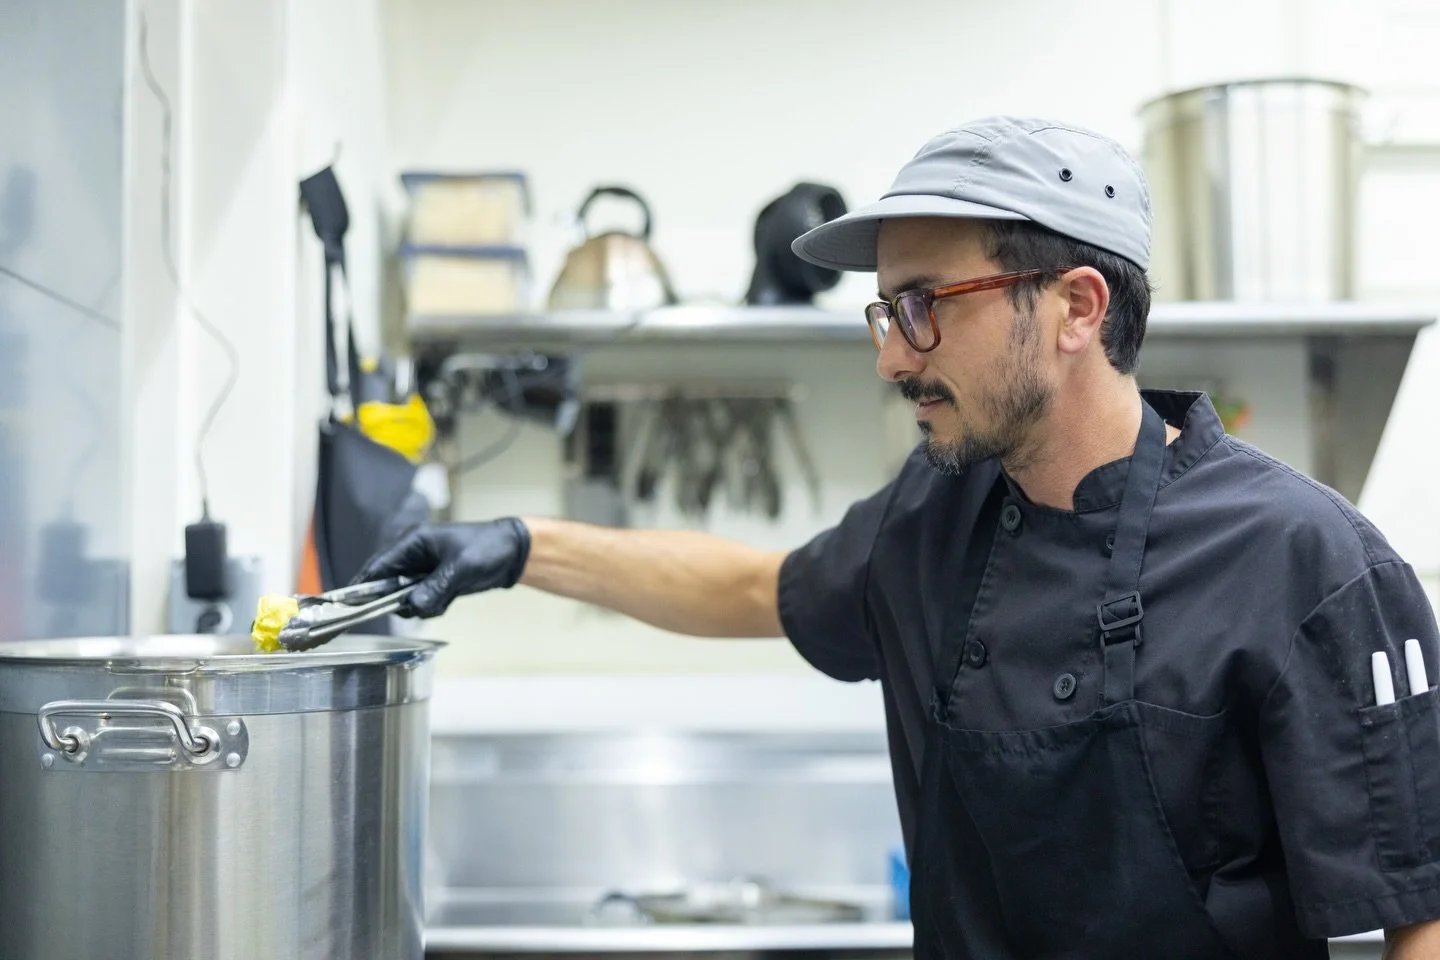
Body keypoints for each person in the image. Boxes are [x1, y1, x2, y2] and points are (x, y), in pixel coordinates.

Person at [356, 116, 1440, 959]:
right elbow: (752, 590)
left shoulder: (1308, 562)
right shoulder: (934, 513)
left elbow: (1418, 916)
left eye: (925, 305)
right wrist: (513, 547)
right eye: (885, 311)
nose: (892, 356)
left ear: (1075, 306)